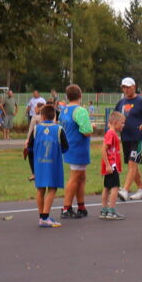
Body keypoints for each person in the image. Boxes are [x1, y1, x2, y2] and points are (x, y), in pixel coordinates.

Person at [58, 84, 92, 219]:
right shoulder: (80, 111)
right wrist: (91, 126)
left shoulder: (64, 110)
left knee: (81, 177)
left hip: (69, 145)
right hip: (78, 147)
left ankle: (81, 206)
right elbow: (87, 131)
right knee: (74, 178)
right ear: (80, 95)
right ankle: (66, 207)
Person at [115, 77, 142, 201]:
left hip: (138, 137)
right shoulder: (121, 103)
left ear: (134, 87)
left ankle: (125, 190)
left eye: (127, 87)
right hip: (125, 138)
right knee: (132, 165)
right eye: (123, 87)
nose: (125, 89)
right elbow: (114, 118)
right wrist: (113, 129)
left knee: (132, 163)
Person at [32, 103, 68, 227]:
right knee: (52, 188)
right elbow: (65, 146)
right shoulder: (59, 129)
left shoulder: (36, 129)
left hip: (39, 163)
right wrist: (58, 153)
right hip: (54, 164)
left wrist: (33, 167)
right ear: (54, 117)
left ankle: (41, 216)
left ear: (42, 117)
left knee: (40, 189)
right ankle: (45, 216)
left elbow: (30, 147)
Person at [99, 110, 125, 221]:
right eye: (122, 123)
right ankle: (111, 211)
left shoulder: (112, 134)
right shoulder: (111, 134)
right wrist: (108, 165)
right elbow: (103, 150)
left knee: (107, 187)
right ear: (116, 122)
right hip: (111, 166)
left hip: (111, 165)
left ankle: (104, 210)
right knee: (115, 187)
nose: (123, 125)